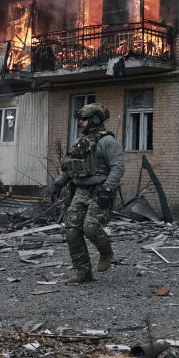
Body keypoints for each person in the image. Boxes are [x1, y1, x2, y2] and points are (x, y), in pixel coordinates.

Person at [50, 103, 125, 283]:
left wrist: (107, 190)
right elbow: (72, 167)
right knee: (72, 231)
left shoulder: (108, 142)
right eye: (80, 119)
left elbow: (118, 168)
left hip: (100, 191)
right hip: (80, 191)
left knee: (90, 227)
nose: (80, 122)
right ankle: (83, 272)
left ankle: (106, 252)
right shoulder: (81, 142)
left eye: (84, 119)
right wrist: (59, 184)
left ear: (95, 119)